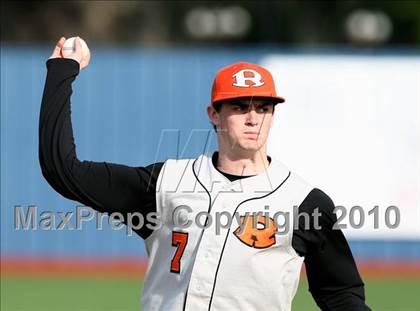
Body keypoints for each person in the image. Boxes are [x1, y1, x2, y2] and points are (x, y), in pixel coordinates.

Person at [39, 37, 371, 311]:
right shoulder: (164, 185)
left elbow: (341, 294)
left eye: (263, 108)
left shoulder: (303, 203)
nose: (253, 118)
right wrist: (61, 73)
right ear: (214, 114)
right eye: (240, 107)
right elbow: (64, 170)